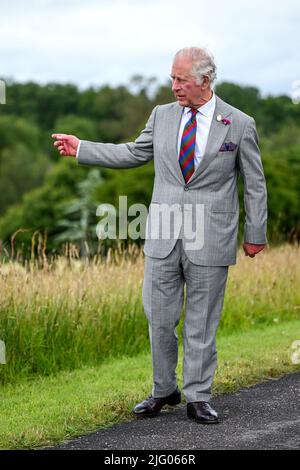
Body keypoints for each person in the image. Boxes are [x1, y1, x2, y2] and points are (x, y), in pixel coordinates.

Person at [52, 47, 267, 424]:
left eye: (181, 79)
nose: (174, 86)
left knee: (201, 322)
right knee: (160, 318)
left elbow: (255, 184)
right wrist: (82, 148)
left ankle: (198, 397)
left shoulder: (240, 123)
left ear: (205, 80)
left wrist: (255, 233)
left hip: (211, 236)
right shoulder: (162, 116)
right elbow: (134, 153)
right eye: (172, 77)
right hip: (163, 234)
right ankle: (163, 389)